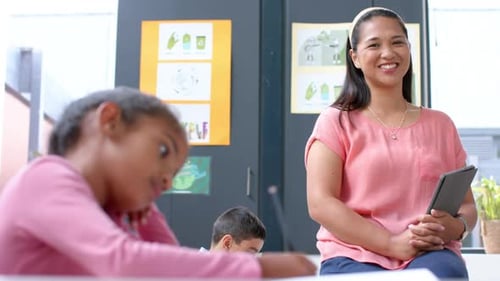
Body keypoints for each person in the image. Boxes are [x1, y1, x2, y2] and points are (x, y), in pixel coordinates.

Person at [0, 87, 316, 278]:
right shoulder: (47, 177)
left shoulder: (105, 211)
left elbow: (168, 269)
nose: (167, 179)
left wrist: (147, 213)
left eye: (174, 173)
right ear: (110, 121)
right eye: (163, 150)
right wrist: (260, 268)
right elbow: (123, 263)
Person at [304, 7, 477, 279]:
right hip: (353, 254)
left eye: (397, 42)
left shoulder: (441, 124)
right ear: (355, 57)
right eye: (374, 44)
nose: (388, 53)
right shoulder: (335, 121)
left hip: (430, 255)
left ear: (408, 48)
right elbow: (320, 203)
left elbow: (467, 206)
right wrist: (390, 244)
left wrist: (456, 227)